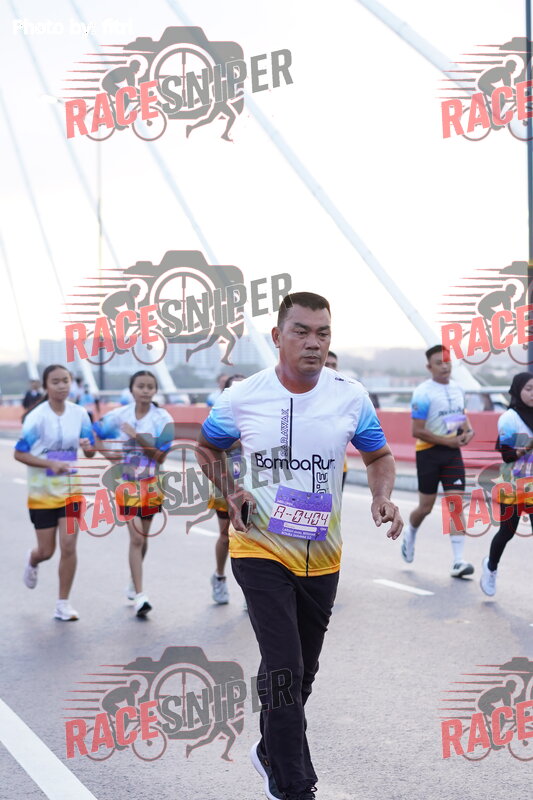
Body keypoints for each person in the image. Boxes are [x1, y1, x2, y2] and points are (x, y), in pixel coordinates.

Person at [196, 292, 402, 800]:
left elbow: (379, 456)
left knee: (300, 671)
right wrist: (231, 490)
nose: (313, 342)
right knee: (285, 665)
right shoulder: (242, 396)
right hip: (259, 547)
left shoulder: (350, 396)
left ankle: (270, 748)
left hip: (322, 552)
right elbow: (207, 447)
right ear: (277, 336)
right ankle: (294, 785)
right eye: (301, 331)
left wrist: (382, 496)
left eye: (322, 333)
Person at [15, 365, 95, 621]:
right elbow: (19, 453)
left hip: (71, 490)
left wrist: (88, 446)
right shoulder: (36, 417)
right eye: (56, 382)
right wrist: (50, 463)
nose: (62, 386)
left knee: (69, 546)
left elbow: (91, 451)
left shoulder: (80, 414)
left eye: (65, 381)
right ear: (46, 386)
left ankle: (63, 603)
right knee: (46, 551)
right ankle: (33, 559)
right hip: (42, 493)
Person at [93, 370, 174, 617]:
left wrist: (136, 436)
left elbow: (161, 456)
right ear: (132, 389)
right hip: (126, 484)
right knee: (137, 538)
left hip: (152, 484)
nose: (146, 390)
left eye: (150, 386)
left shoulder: (163, 418)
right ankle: (140, 595)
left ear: (155, 390)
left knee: (143, 538)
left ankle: (133, 579)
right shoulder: (119, 415)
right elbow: (94, 433)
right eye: (141, 386)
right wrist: (108, 455)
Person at [400, 345, 475, 577]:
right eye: (439, 363)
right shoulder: (423, 392)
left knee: (455, 504)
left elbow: (459, 418)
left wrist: (468, 431)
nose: (445, 366)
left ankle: (458, 561)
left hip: (452, 454)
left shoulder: (458, 389)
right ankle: (411, 532)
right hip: (428, 454)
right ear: (429, 366)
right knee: (426, 507)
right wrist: (447, 441)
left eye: (447, 361)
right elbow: (417, 431)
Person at [480, 372, 533, 596]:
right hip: (513, 484)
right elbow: (507, 455)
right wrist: (526, 448)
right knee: (507, 532)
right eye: (529, 389)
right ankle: (491, 567)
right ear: (517, 391)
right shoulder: (509, 419)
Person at [208, 374, 246, 605]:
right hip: (227, 484)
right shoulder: (222, 416)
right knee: (226, 536)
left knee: (251, 537)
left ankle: (250, 590)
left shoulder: (259, 414)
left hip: (255, 485)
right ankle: (220, 577)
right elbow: (216, 445)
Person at [324, 351, 349, 489]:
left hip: (339, 467)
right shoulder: (301, 395)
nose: (331, 369)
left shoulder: (345, 396)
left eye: (334, 365)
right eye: (326, 364)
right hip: (308, 467)